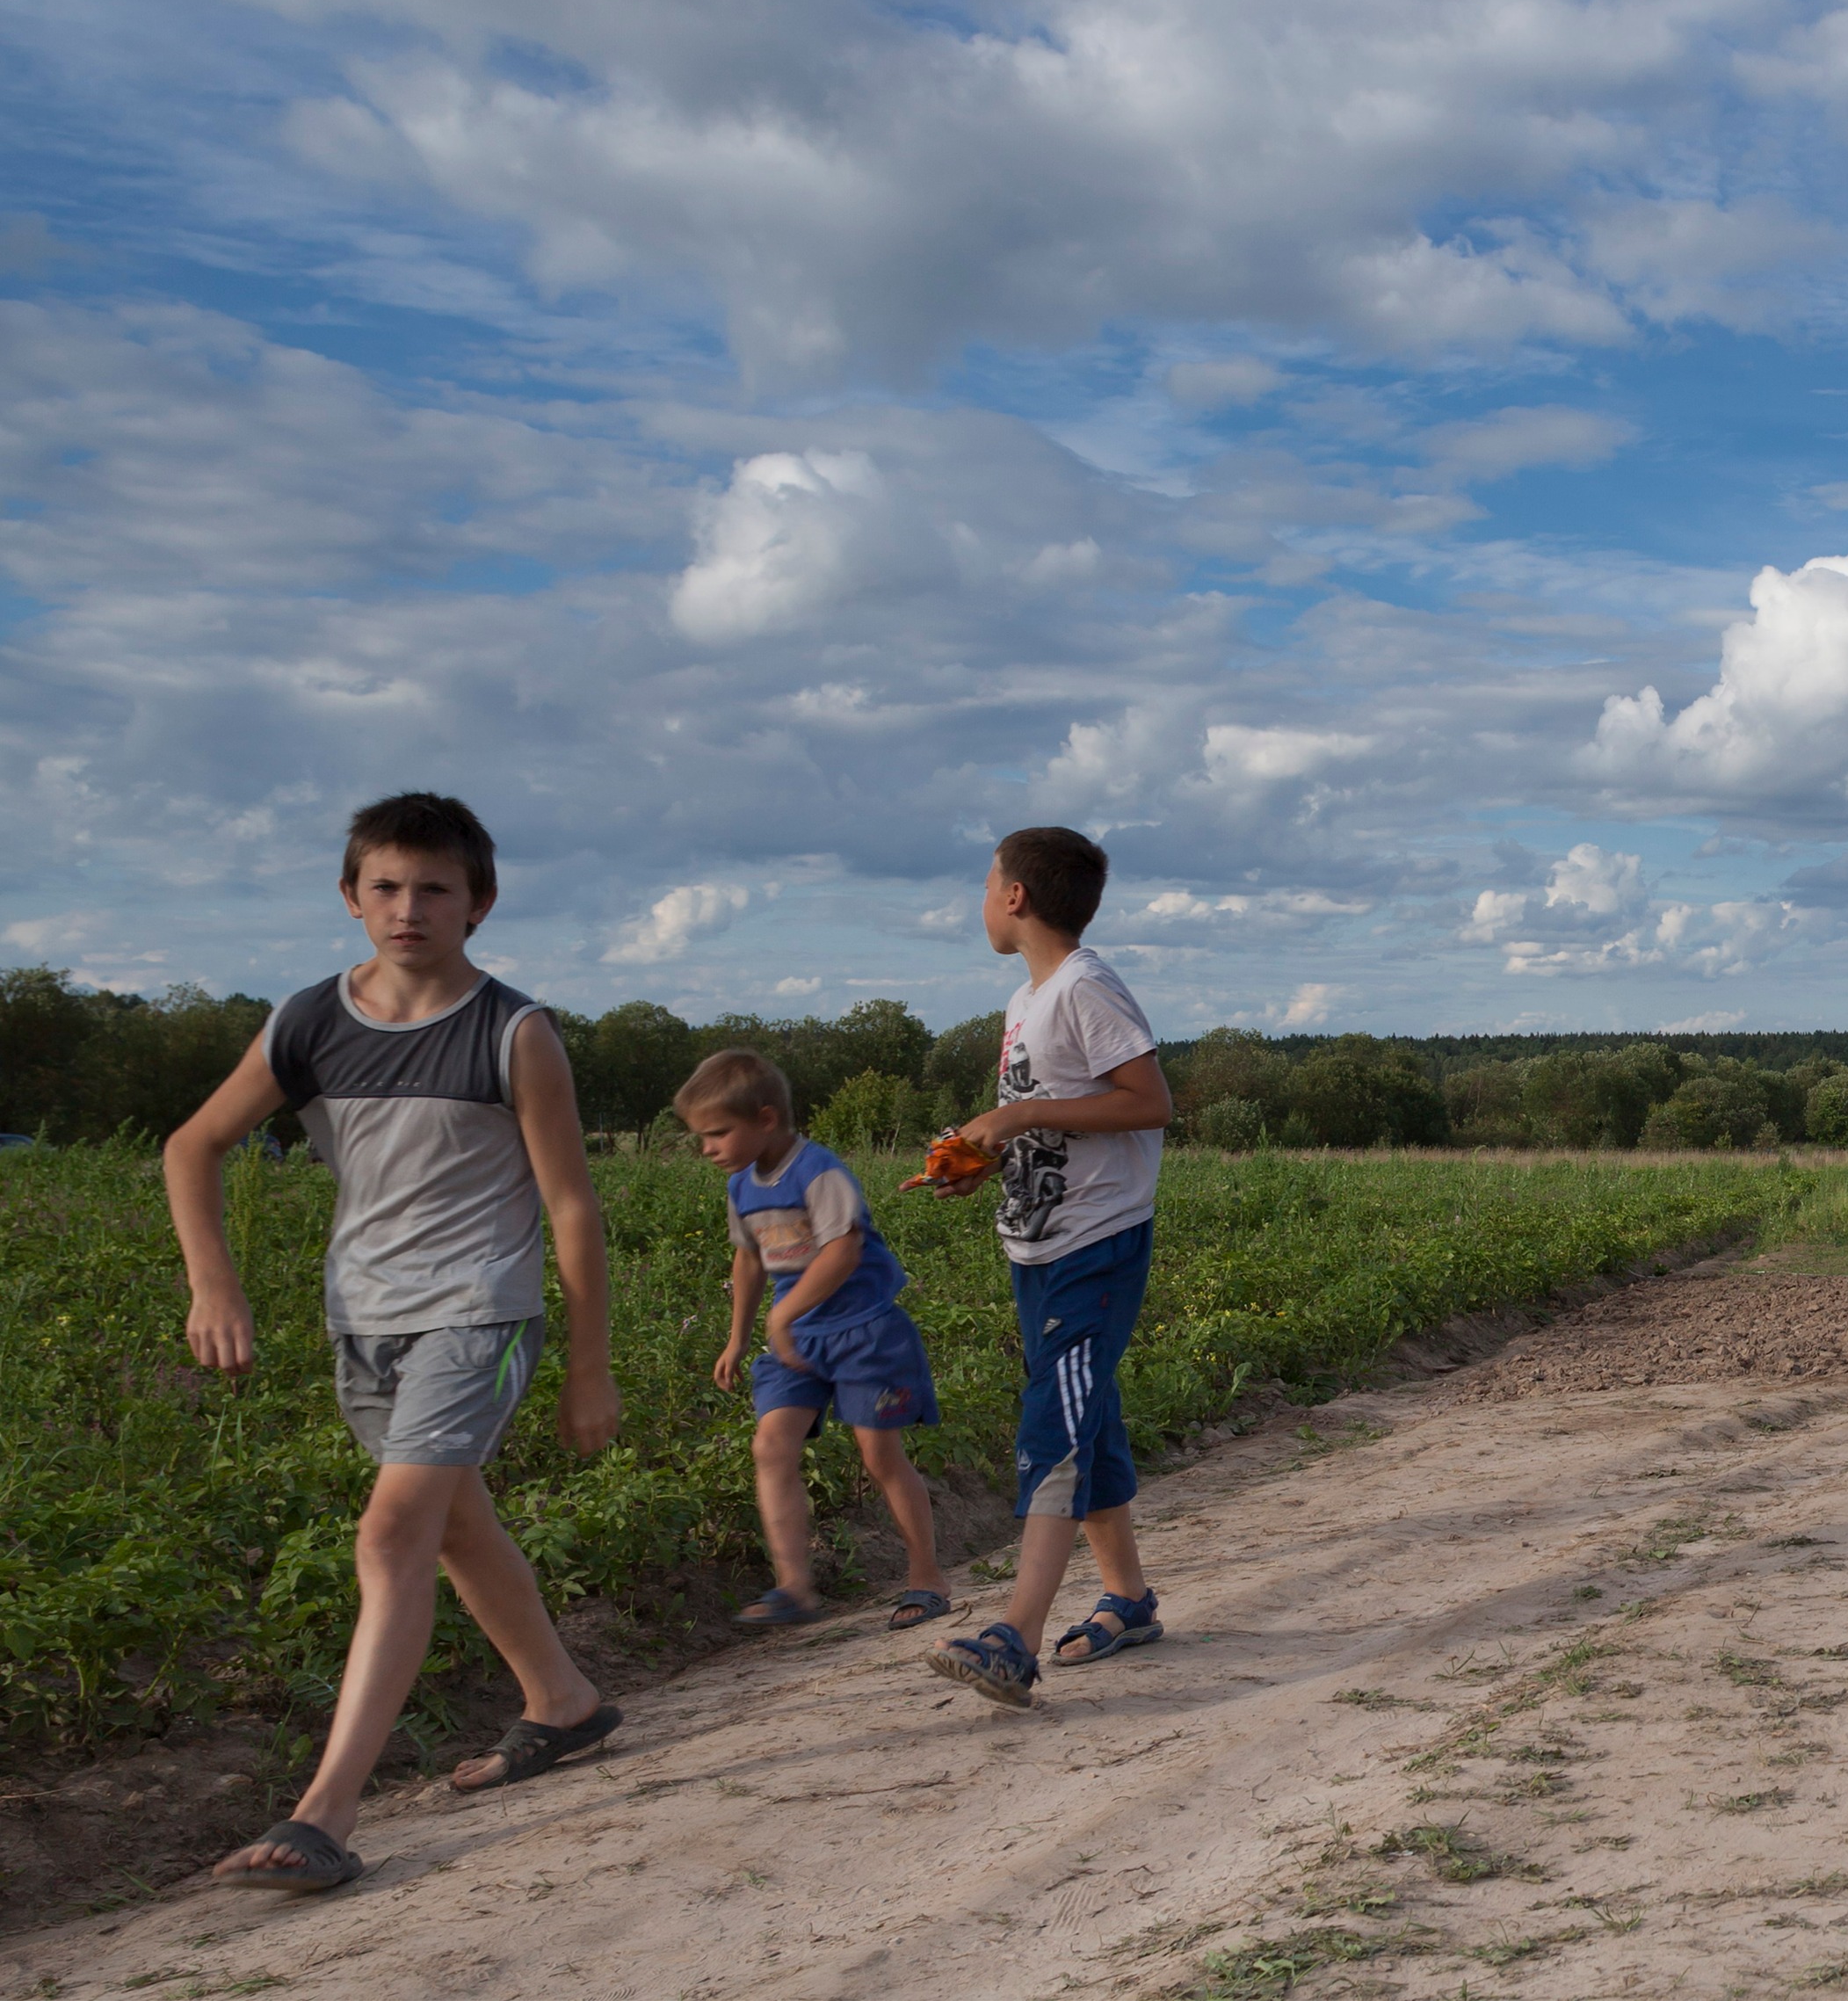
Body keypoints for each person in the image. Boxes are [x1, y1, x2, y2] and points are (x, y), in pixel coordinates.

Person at [161, 793, 622, 1895]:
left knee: (393, 1529)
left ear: (480, 904)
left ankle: (325, 1810)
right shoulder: (309, 1021)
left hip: (480, 1308)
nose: (408, 906)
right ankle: (563, 1700)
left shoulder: (515, 1031)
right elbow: (193, 1144)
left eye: (434, 888)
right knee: (455, 1527)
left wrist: (588, 1363)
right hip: (362, 1319)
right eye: (386, 886)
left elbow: (571, 1205)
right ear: (351, 896)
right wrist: (211, 1281)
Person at [919, 825, 1176, 1708]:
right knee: (1087, 1418)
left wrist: (1020, 1111)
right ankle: (1130, 1600)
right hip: (1040, 1243)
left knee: (1053, 1427)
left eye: (987, 882)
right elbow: (1057, 1121)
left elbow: (1149, 1100)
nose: (981, 898)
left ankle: (1013, 1636)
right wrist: (982, 1151)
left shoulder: (1084, 986)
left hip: (1094, 1246)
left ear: (1016, 896)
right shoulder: (1029, 1000)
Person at [684, 1049, 954, 1635]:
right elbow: (750, 1258)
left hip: (864, 1330)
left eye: (717, 1132)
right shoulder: (741, 1185)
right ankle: (794, 1587)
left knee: (880, 1456)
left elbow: (843, 1250)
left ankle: (927, 1576)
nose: (706, 1146)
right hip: (800, 1336)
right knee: (770, 1445)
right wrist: (737, 1337)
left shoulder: (820, 1170)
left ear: (765, 1119)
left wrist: (782, 1319)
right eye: (701, 1136)